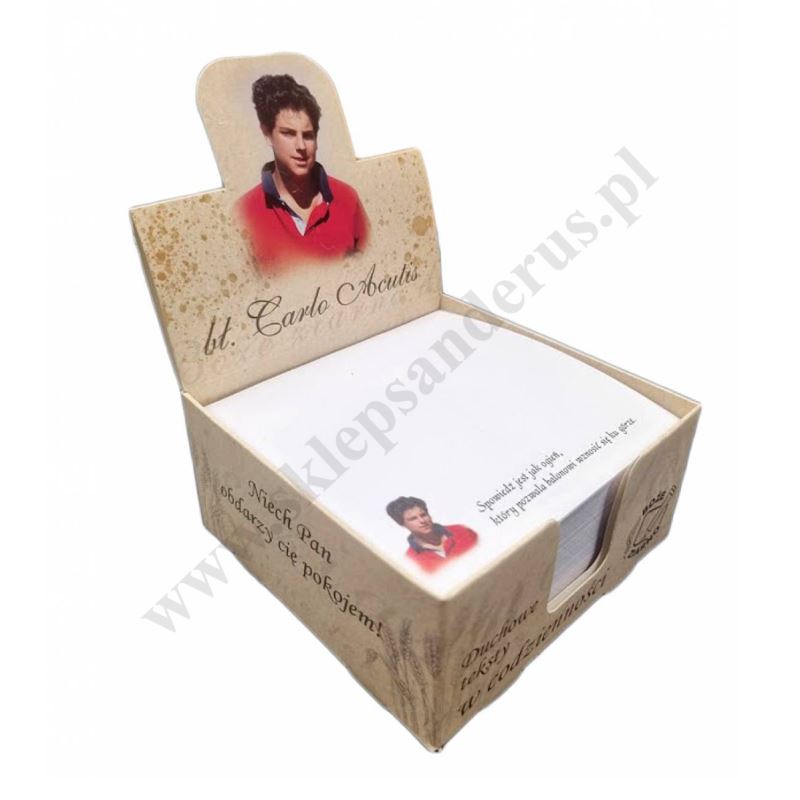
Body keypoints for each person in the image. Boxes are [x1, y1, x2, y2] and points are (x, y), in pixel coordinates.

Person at [235, 73, 370, 273]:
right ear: (267, 134)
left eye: (307, 136)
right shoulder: (244, 212)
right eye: (288, 133)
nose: (301, 146)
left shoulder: (347, 198)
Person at [385, 496, 478, 573]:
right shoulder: (411, 561)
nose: (422, 521)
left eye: (423, 515)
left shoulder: (462, 531)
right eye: (413, 519)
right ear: (401, 524)